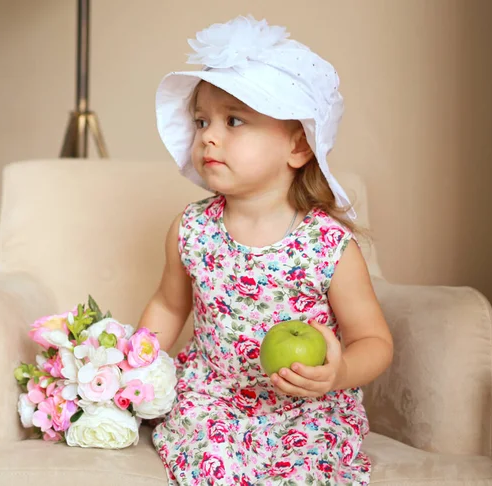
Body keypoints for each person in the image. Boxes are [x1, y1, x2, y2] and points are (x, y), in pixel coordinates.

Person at [140, 14, 393, 486]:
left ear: (298, 145)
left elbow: (374, 342)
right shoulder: (192, 228)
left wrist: (336, 375)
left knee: (308, 467)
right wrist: (136, 362)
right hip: (215, 396)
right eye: (201, 121)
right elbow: (168, 305)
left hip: (305, 407)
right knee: (212, 458)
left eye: (234, 120)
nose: (208, 136)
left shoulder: (328, 245)